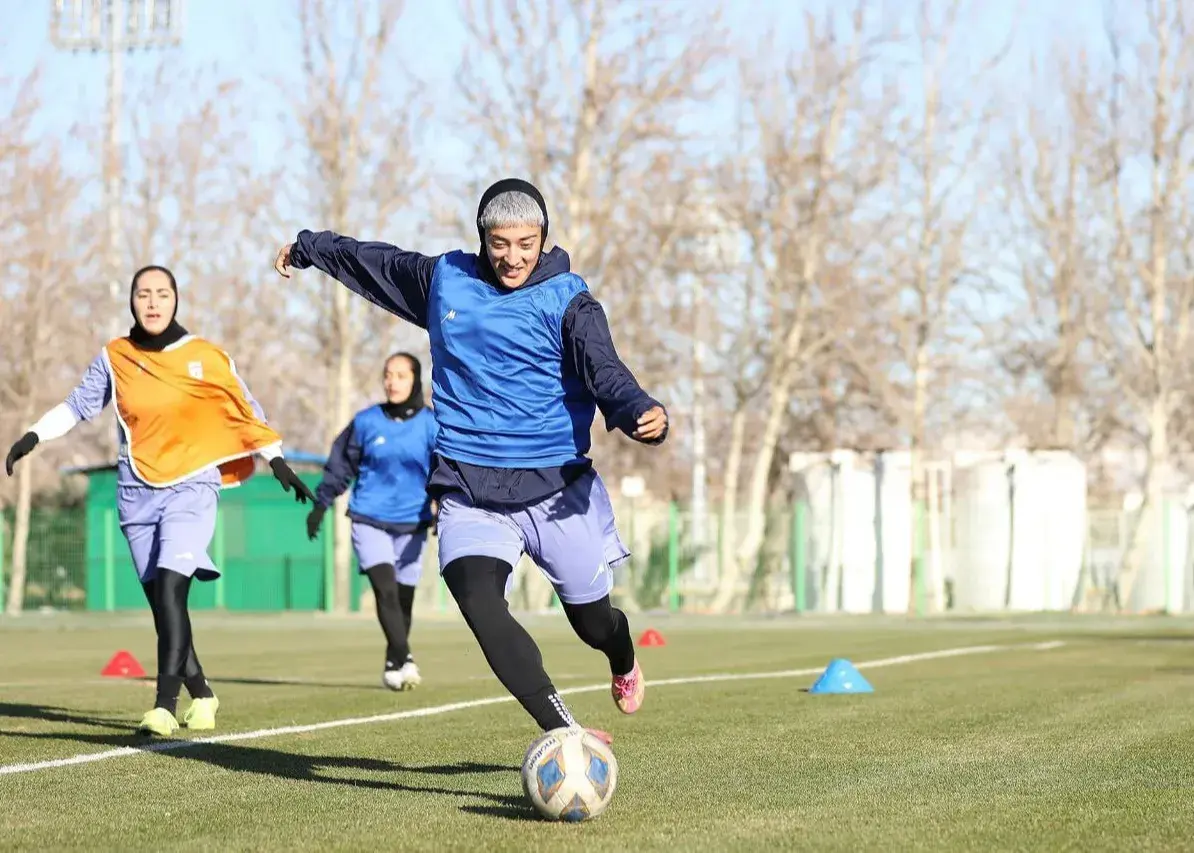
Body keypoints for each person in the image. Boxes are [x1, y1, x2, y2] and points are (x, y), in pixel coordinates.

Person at [274, 178, 668, 742]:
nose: (513, 257)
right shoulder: (445, 281)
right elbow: (372, 263)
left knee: (593, 621)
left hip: (557, 488)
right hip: (468, 487)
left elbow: (605, 369)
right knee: (479, 603)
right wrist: (309, 247)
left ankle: (622, 654)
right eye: (500, 243)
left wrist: (639, 411)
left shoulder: (570, 300)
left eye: (526, 244)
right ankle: (564, 731)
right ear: (482, 238)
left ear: (544, 238)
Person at [4, 265, 314, 737]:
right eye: (143, 294)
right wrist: (33, 435)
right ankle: (204, 694)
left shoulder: (206, 356)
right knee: (164, 606)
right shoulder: (116, 356)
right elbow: (77, 406)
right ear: (131, 301)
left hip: (192, 487)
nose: (152, 302)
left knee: (172, 591)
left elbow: (246, 411)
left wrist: (277, 462)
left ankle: (164, 706)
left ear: (176, 300)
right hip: (135, 493)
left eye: (162, 294)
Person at [305, 351, 437, 692]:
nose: (392, 382)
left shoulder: (431, 425)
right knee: (385, 590)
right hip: (369, 518)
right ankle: (406, 657)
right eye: (388, 375)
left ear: (415, 380)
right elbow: (340, 465)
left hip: (413, 523)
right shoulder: (366, 422)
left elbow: (445, 473)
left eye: (401, 376)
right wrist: (321, 503)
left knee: (403, 599)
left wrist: (445, 510)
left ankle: (393, 662)